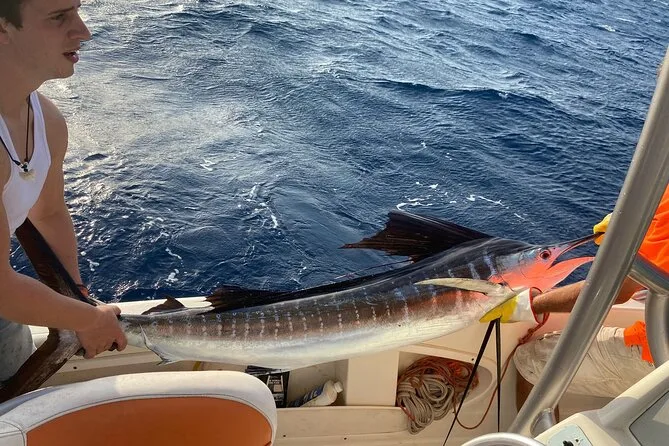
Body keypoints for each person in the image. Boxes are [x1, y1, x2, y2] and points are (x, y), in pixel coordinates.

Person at [0, 0, 127, 383]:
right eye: (59, 17)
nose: (83, 31)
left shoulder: (48, 121)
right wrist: (88, 319)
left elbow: (49, 213)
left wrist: (76, 300)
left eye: (77, 11)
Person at [496, 184, 669, 411]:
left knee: (529, 360)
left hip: (659, 355)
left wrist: (528, 305)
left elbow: (613, 289)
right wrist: (641, 232)